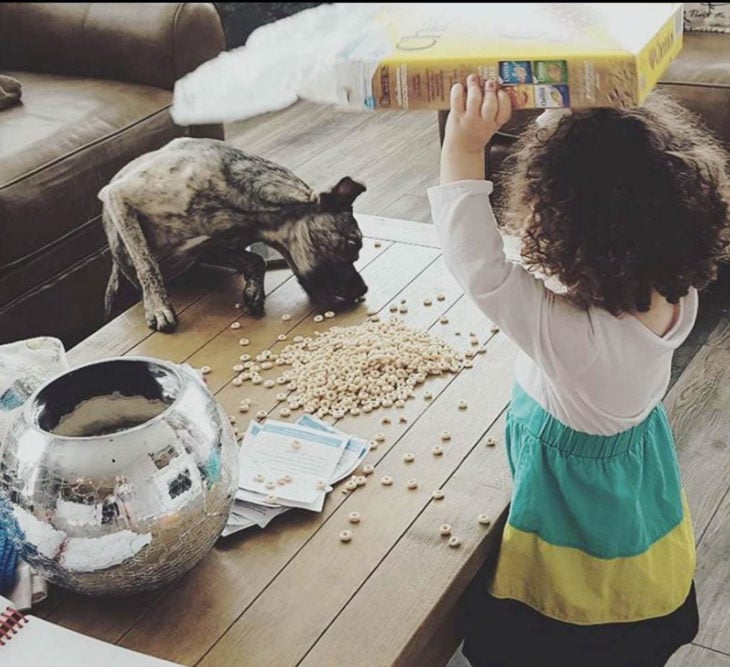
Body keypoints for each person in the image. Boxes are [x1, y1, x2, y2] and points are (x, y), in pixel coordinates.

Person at [428, 75, 730, 667]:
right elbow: (611, 183)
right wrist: (569, 106)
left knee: (548, 636)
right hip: (630, 497)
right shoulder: (671, 286)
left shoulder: (577, 343)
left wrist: (463, 147)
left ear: (566, 234)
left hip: (579, 533)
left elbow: (480, 266)